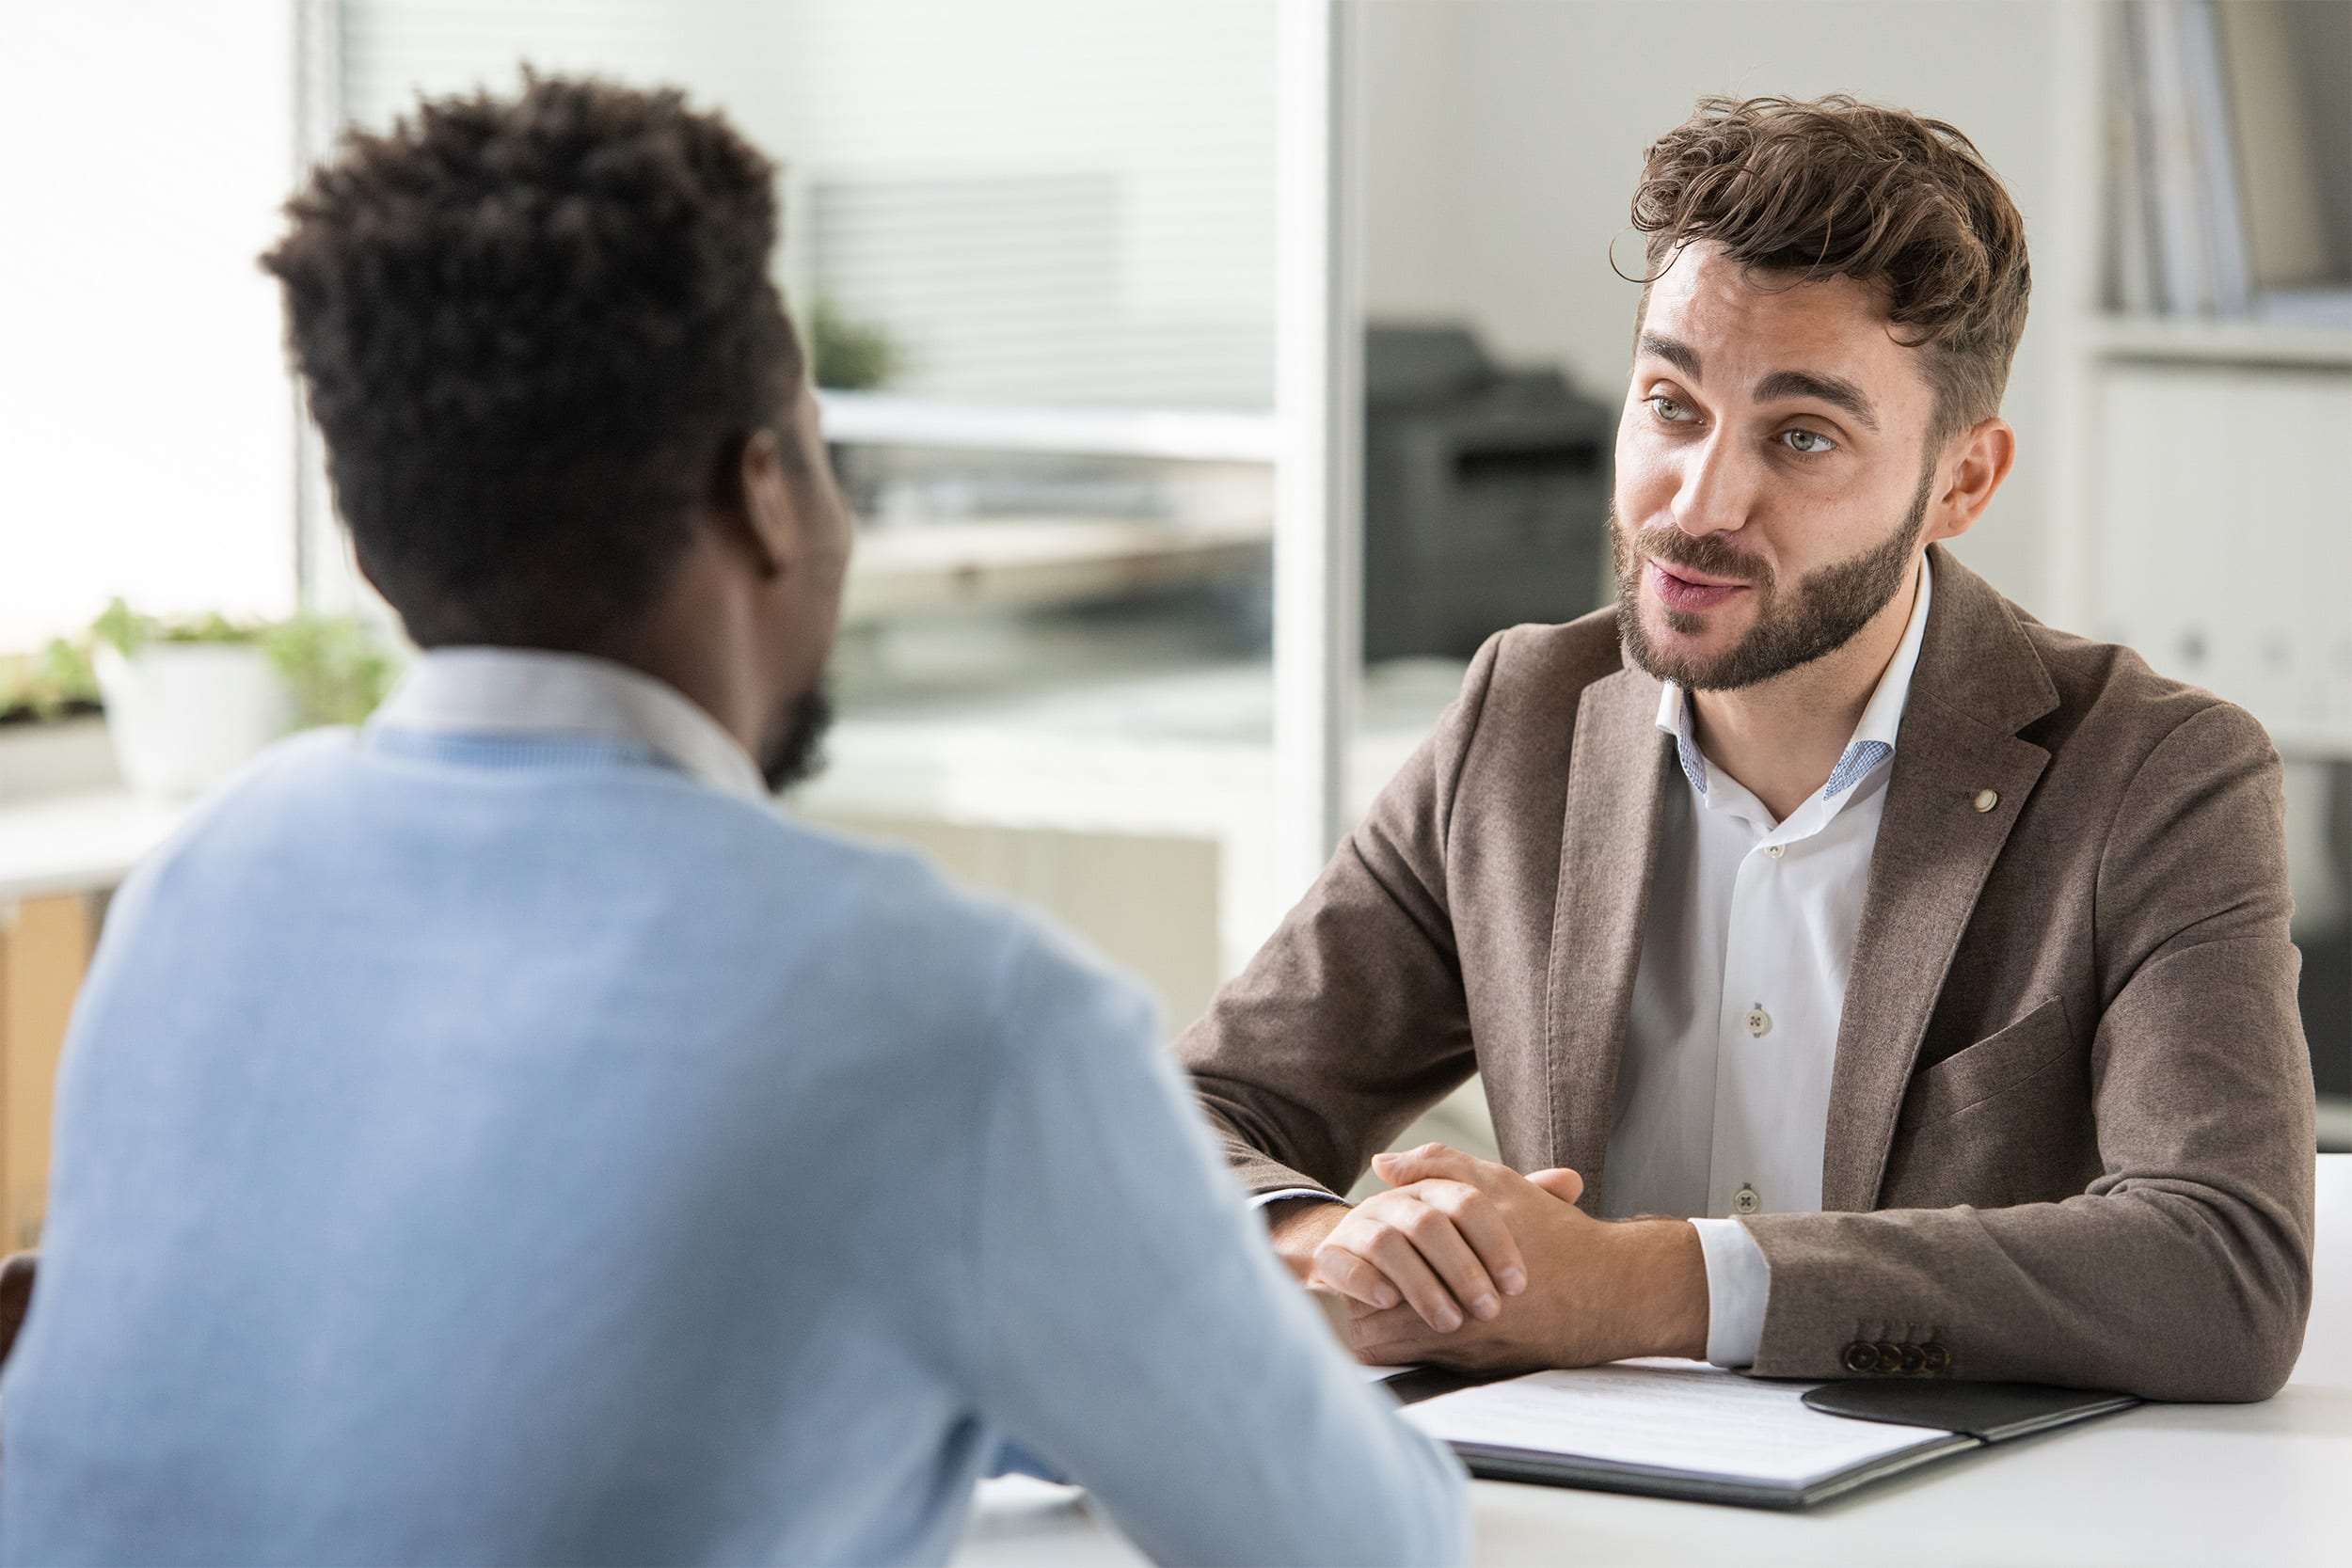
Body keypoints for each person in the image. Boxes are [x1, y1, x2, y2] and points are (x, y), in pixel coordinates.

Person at [0, 76, 1468, 1566]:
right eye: (822, 447)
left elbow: (496, 1369)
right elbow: (1356, 1545)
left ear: (374, 545)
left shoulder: (200, 891)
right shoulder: (954, 1012)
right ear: (765, 492)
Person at [1183, 95, 2314, 1401]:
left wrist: (1630, 1285)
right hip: (1576, 1510)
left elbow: (2224, 1270)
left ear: (1962, 482)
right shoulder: (1522, 720)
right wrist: (1347, 1252)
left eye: (1803, 437)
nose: (1701, 503)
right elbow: (1194, 1115)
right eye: (1671, 404)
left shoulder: (2159, 776)